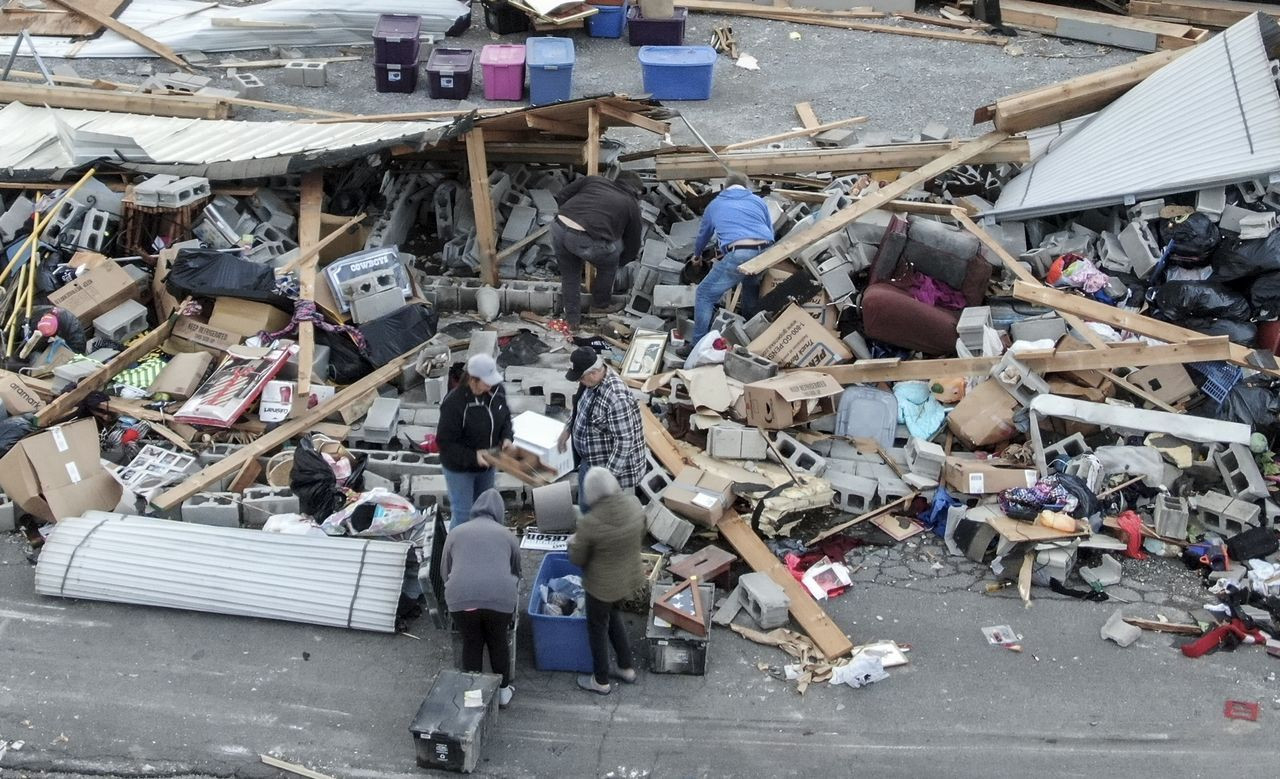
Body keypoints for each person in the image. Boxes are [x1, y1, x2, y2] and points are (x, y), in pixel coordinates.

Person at [567, 467, 644, 695]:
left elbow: (578, 558)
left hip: (600, 586)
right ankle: (626, 667)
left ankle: (600, 680)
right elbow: (642, 533)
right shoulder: (633, 505)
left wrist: (574, 543)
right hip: (627, 579)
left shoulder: (590, 522)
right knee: (614, 616)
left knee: (597, 628)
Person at [441, 488, 520, 708]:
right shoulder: (508, 535)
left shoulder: (456, 532)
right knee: (498, 641)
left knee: (472, 642)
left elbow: (445, 571)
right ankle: (503, 693)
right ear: (500, 512)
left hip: (462, 601)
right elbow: (516, 572)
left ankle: (473, 698)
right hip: (499, 601)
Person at [686, 171, 775, 350]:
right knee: (750, 285)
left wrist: (697, 255)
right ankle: (751, 333)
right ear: (746, 186)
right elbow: (770, 229)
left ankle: (696, 345)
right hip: (766, 251)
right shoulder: (758, 201)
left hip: (740, 252)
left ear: (725, 188)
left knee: (704, 294)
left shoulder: (715, 204)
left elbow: (704, 234)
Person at [551, 172, 644, 329]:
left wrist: (576, 216)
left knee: (570, 275)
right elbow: (633, 243)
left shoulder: (594, 180)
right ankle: (600, 305)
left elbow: (561, 196)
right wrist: (621, 262)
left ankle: (572, 321)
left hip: (558, 227)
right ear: (637, 191)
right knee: (610, 262)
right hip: (583, 237)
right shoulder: (631, 205)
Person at [557, 347, 645, 509]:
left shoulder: (616, 397)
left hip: (609, 470)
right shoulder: (590, 383)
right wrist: (568, 429)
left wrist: (606, 479)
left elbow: (624, 441)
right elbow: (579, 407)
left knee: (602, 515)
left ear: (594, 373)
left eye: (581, 378)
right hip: (590, 461)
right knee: (586, 506)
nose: (579, 382)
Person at [437, 354, 514, 529]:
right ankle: (456, 550)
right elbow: (445, 443)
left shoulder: (497, 391)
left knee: (486, 509)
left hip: (488, 464)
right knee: (464, 515)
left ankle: (483, 542)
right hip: (460, 469)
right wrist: (474, 457)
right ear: (473, 380)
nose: (491, 386)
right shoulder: (454, 403)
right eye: (486, 382)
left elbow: (505, 417)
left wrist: (507, 437)